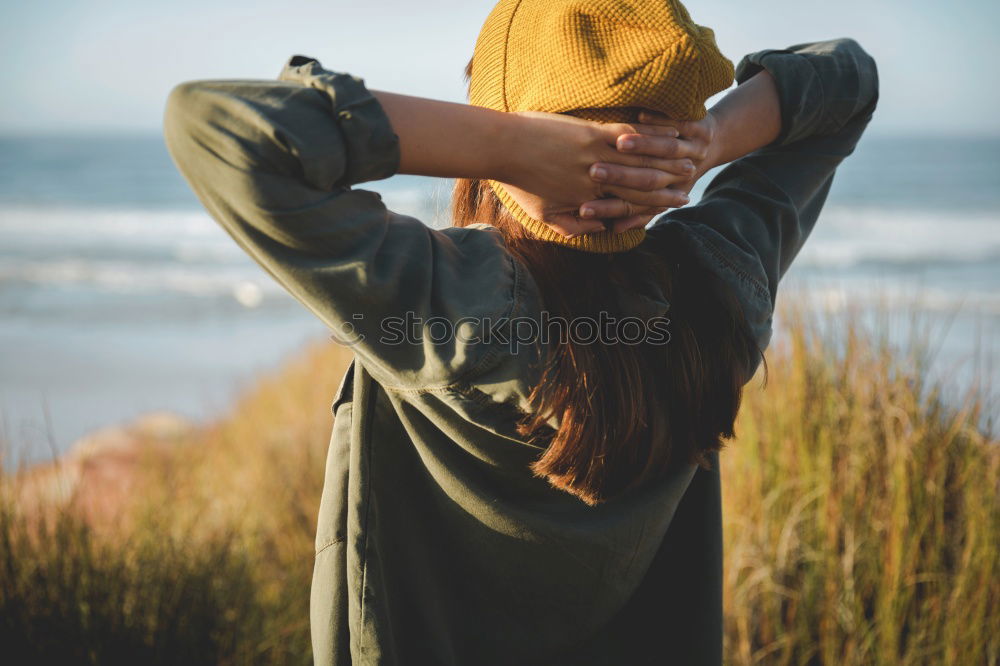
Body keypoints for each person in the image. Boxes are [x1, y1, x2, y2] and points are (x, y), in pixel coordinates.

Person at [163, 0, 878, 662]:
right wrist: (709, 140)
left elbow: (213, 124)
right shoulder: (718, 283)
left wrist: (504, 146)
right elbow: (847, 81)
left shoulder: (453, 301)